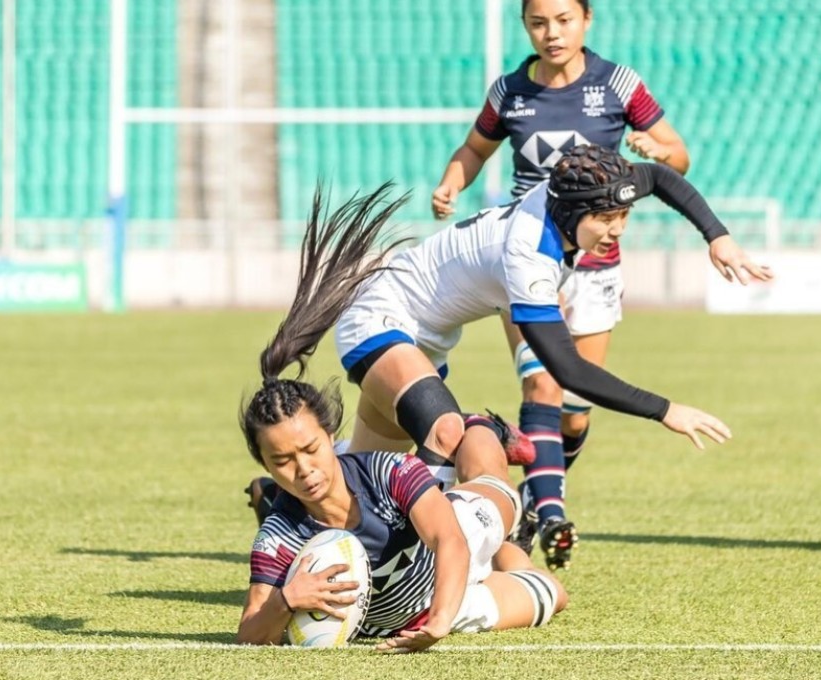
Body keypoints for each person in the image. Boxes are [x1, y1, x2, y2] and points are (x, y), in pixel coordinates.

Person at [430, 0, 772, 567]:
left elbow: (677, 157)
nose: (552, 32)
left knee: (576, 406)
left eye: (563, 20)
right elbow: (475, 148)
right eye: (538, 22)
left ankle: (535, 497)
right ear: (525, 26)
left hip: (596, 266)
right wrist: (451, 182)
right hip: (529, 262)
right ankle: (551, 515)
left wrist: (660, 151)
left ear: (586, 20)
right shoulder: (509, 92)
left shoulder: (618, 84)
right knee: (543, 384)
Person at [337, 144, 753, 573]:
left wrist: (717, 236)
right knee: (445, 430)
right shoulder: (529, 256)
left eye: (623, 215)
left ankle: (305, 514)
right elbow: (569, 370)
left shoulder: (571, 196)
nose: (617, 229)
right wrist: (665, 410)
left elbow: (661, 177)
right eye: (605, 219)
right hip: (378, 318)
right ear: (572, 214)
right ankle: (418, 568)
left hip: (427, 340)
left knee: (359, 479)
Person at [235, 188, 567, 652]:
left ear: (330, 437)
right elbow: (249, 633)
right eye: (283, 461)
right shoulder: (279, 533)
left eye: (310, 450)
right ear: (266, 466)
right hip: (423, 609)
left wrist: (441, 622)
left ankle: (484, 430)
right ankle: (510, 552)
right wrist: (288, 599)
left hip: (457, 542)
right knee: (551, 591)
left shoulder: (383, 471)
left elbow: (450, 541)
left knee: (484, 470)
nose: (304, 469)